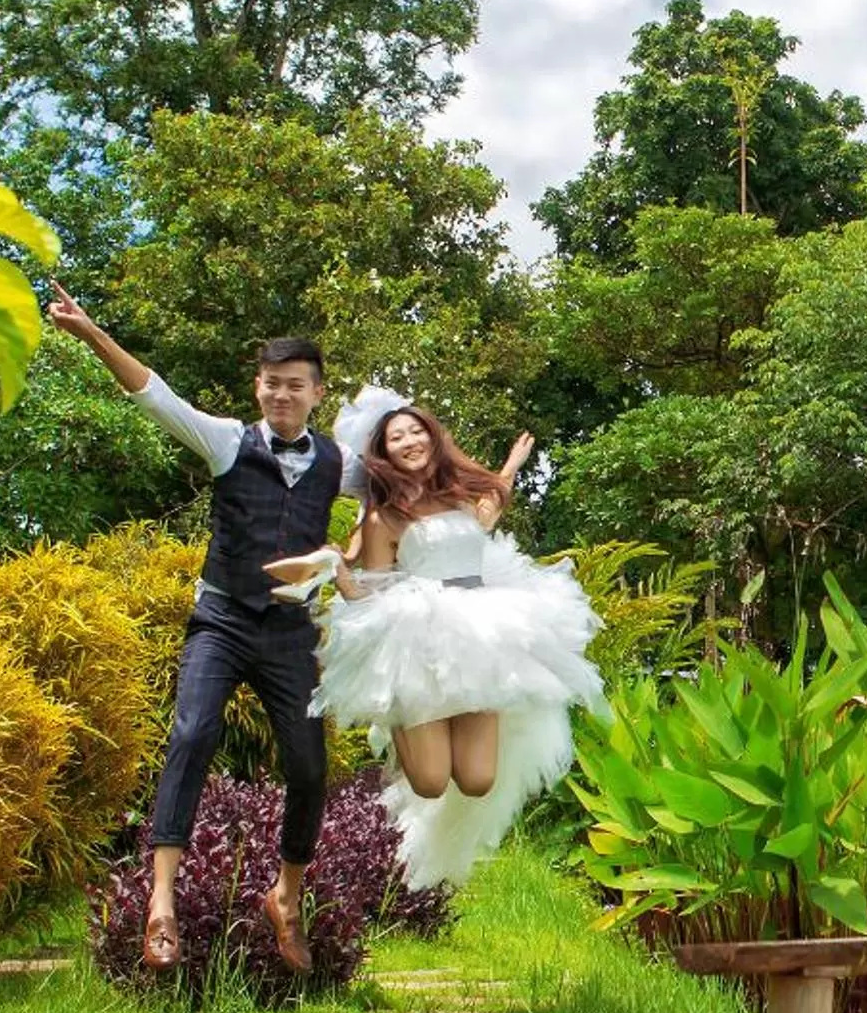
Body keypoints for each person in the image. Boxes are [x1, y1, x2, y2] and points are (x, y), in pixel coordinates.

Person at [47, 288, 353, 973]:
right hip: (221, 618)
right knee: (191, 733)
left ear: (316, 393)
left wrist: (488, 487)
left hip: (289, 631)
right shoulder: (226, 441)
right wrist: (92, 333)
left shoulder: (337, 463)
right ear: (258, 387)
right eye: (271, 384)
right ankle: (161, 906)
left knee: (308, 765)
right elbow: (154, 395)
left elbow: (406, 482)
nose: (281, 395)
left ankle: (287, 897)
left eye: (294, 386)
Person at [267, 390, 606, 895]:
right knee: (428, 781)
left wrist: (512, 464)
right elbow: (372, 593)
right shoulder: (384, 520)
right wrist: (339, 570)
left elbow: (492, 508)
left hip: (483, 637)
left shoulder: (464, 498)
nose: (409, 441)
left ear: (432, 436)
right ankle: (408, 724)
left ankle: (452, 730)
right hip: (420, 641)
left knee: (475, 780)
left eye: (415, 431)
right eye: (396, 437)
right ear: (384, 454)